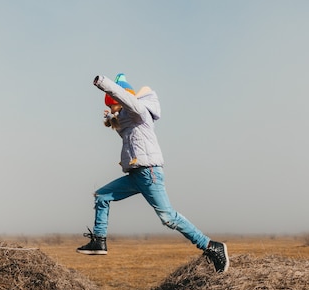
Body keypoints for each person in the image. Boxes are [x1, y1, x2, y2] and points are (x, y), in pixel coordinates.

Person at [77, 73, 229, 273]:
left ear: (121, 98)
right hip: (136, 175)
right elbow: (123, 128)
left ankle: (211, 246)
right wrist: (110, 119)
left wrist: (103, 83)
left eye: (113, 103)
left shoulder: (138, 110)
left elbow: (125, 101)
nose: (113, 108)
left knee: (168, 217)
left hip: (149, 173)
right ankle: (99, 241)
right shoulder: (127, 120)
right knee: (102, 195)